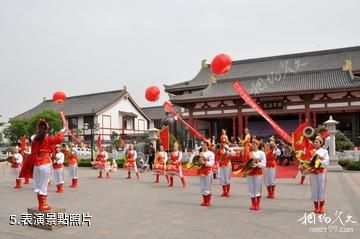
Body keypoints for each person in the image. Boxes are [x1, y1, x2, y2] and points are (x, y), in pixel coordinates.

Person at [19, 119, 65, 211]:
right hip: (45, 163)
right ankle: (43, 204)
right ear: (46, 129)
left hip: (37, 164)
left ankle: (40, 204)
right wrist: (61, 131)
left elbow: (33, 138)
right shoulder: (47, 138)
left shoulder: (35, 139)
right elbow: (59, 139)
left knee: (38, 184)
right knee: (44, 184)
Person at [310, 136, 329, 214]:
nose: (315, 143)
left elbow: (326, 162)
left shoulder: (324, 151)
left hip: (321, 172)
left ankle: (321, 206)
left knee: (321, 189)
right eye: (314, 142)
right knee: (314, 189)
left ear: (321, 143)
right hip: (313, 173)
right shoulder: (311, 151)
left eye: (317, 142)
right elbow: (308, 161)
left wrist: (319, 162)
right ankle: (315, 206)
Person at [247, 139, 266, 211]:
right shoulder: (249, 153)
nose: (253, 145)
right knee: (251, 188)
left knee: (257, 188)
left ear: (258, 145)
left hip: (258, 172)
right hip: (250, 173)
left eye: (255, 144)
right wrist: (248, 165)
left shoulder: (261, 153)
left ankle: (257, 204)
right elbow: (246, 162)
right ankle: (253, 204)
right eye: (253, 143)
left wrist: (257, 164)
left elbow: (264, 164)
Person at [198, 141, 215, 206]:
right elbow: (196, 161)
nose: (203, 146)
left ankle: (208, 201)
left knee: (207, 186)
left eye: (204, 145)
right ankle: (204, 201)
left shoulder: (211, 154)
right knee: (202, 186)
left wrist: (204, 162)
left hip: (208, 172)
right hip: (201, 171)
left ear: (207, 146)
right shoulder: (200, 153)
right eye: (202, 145)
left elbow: (211, 163)